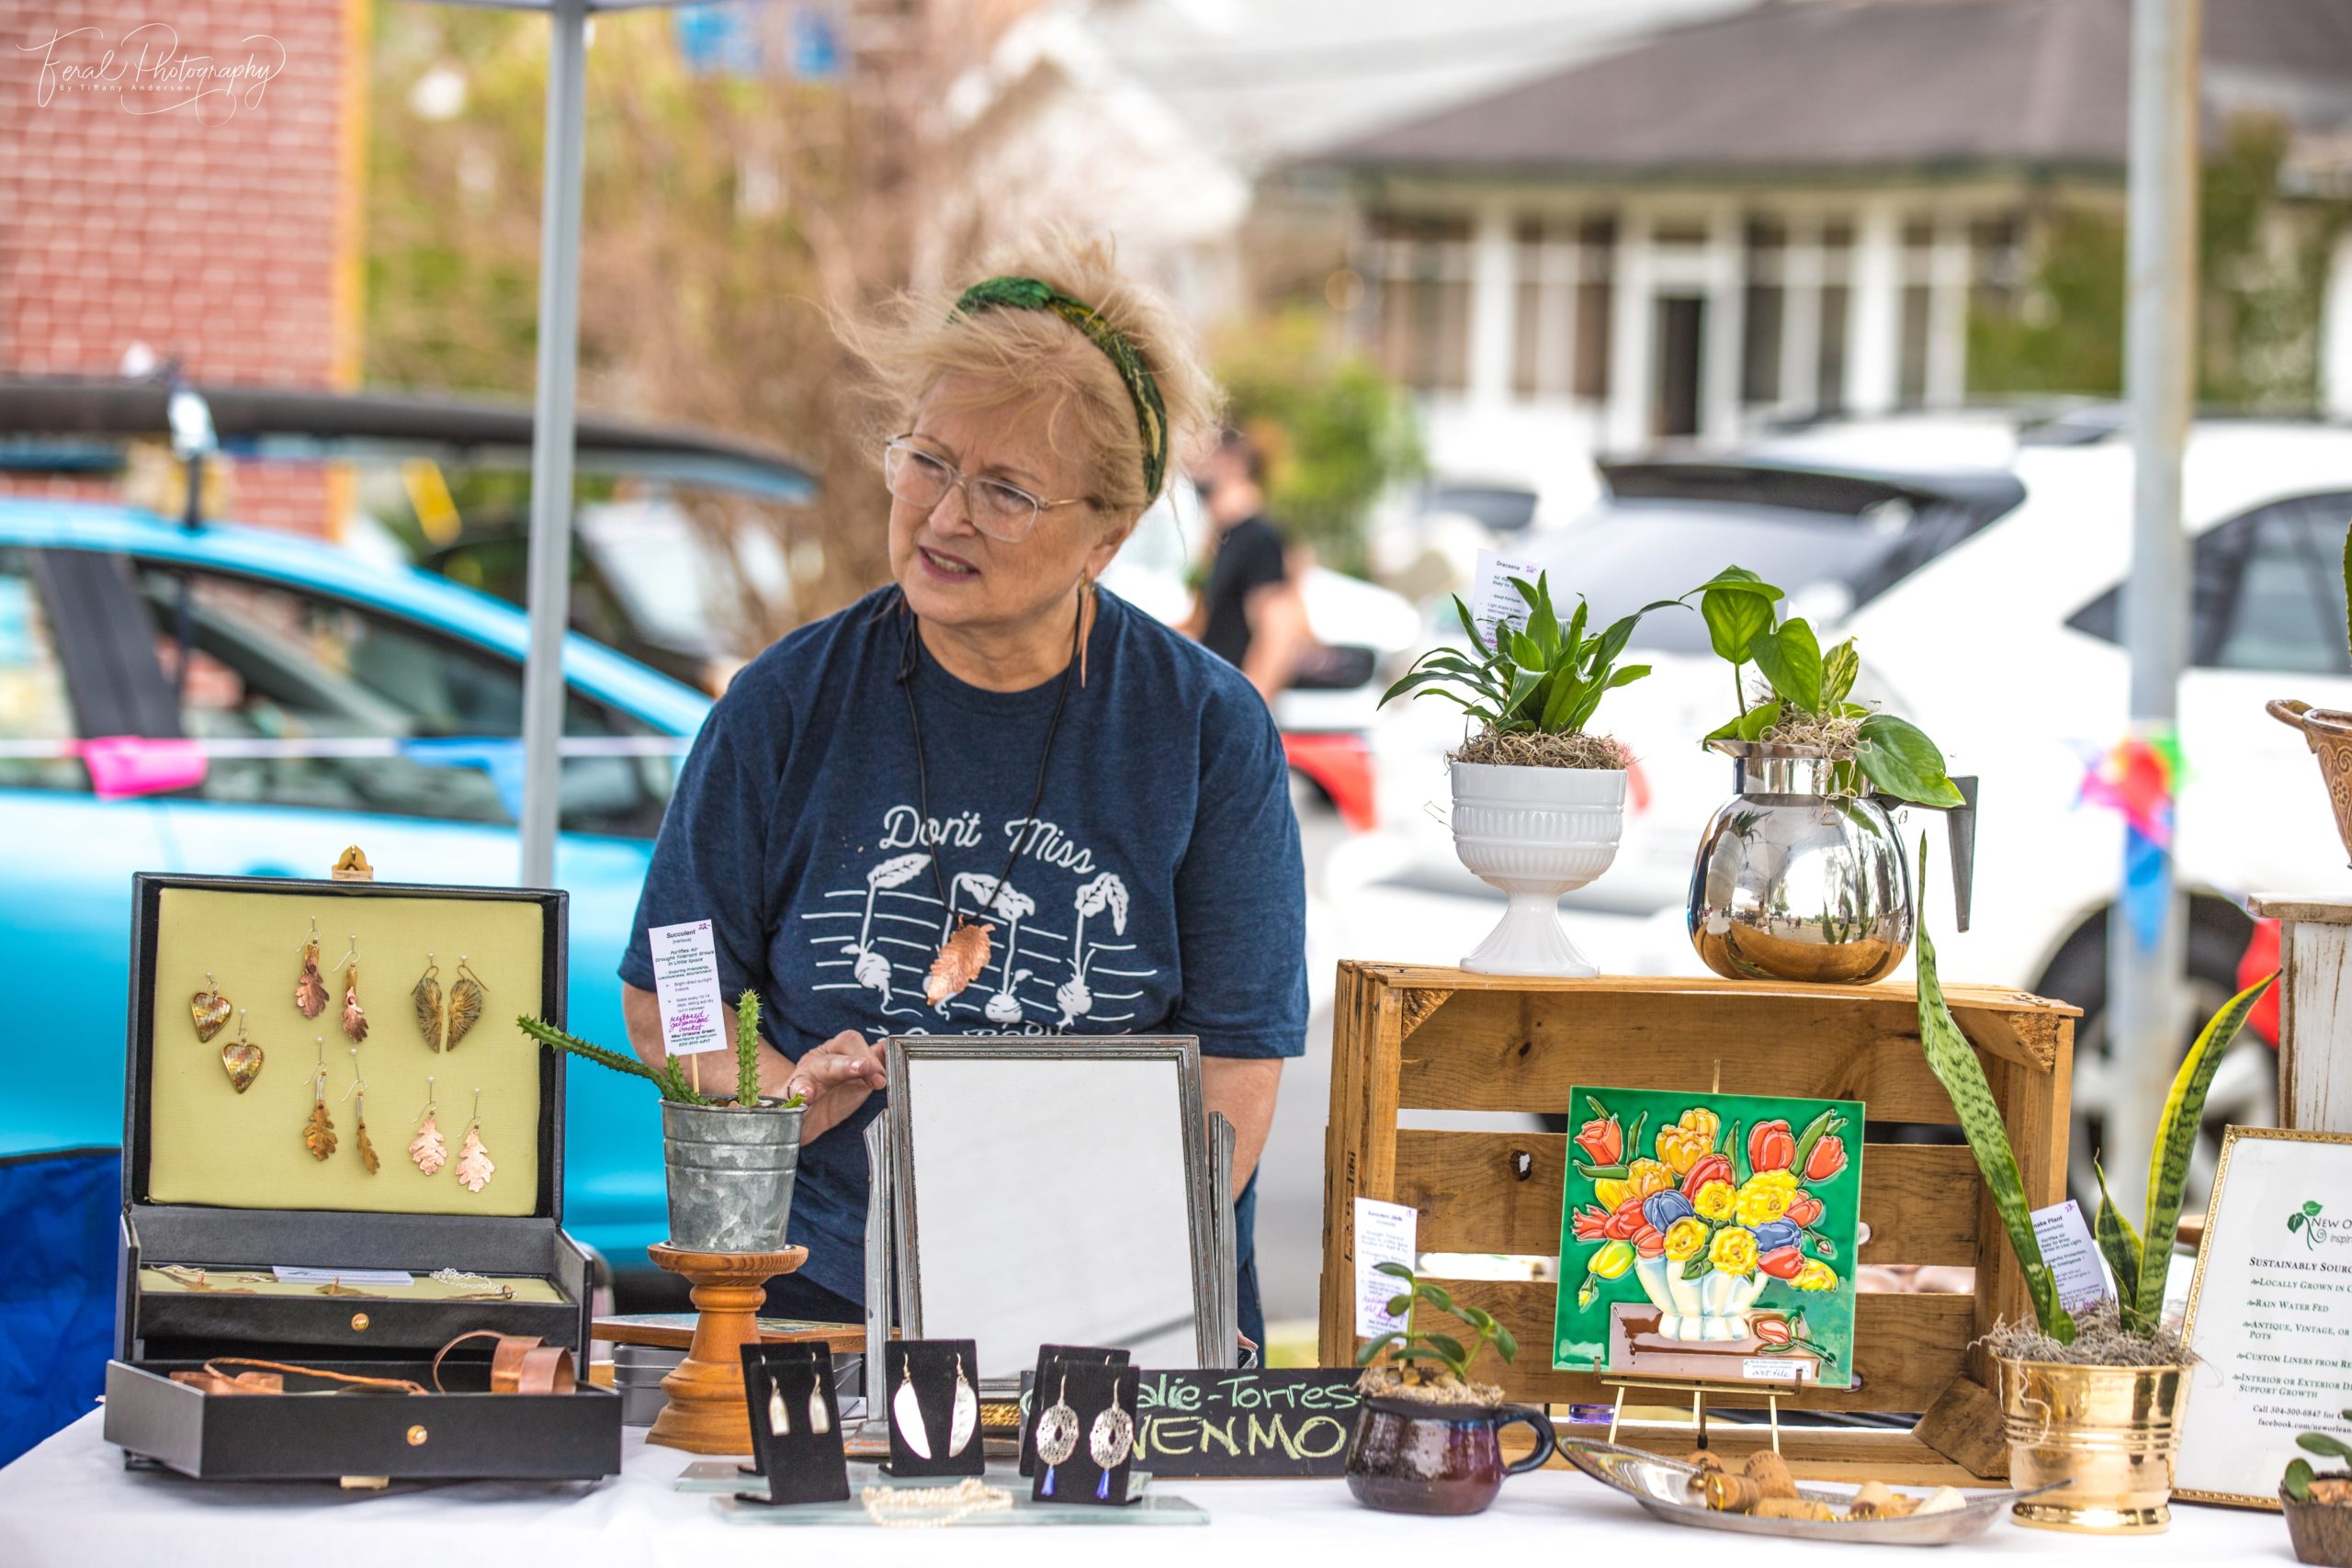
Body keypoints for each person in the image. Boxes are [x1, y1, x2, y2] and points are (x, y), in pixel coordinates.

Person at [617, 233, 1306, 1354]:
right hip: (824, 1301)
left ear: (1107, 536)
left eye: (1006, 491)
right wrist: (767, 1095)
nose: (943, 517)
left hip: (1112, 1318)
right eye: (928, 461)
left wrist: (1079, 1250)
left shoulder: (1204, 731)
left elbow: (1236, 1077)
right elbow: (676, 985)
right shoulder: (787, 701)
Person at [1187, 429, 1311, 702]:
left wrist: (1249, 709)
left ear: (1236, 460)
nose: (1192, 463)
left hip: (1232, 707)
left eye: (1205, 454)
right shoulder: (1226, 535)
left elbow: (1277, 632)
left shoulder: (1257, 537)